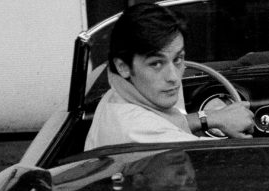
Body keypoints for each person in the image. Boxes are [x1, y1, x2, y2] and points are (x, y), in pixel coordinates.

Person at [85, 3, 254, 150]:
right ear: (123, 66)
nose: (173, 77)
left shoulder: (115, 95)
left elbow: (159, 122)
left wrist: (212, 118)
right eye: (156, 63)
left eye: (178, 59)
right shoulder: (142, 135)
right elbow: (226, 161)